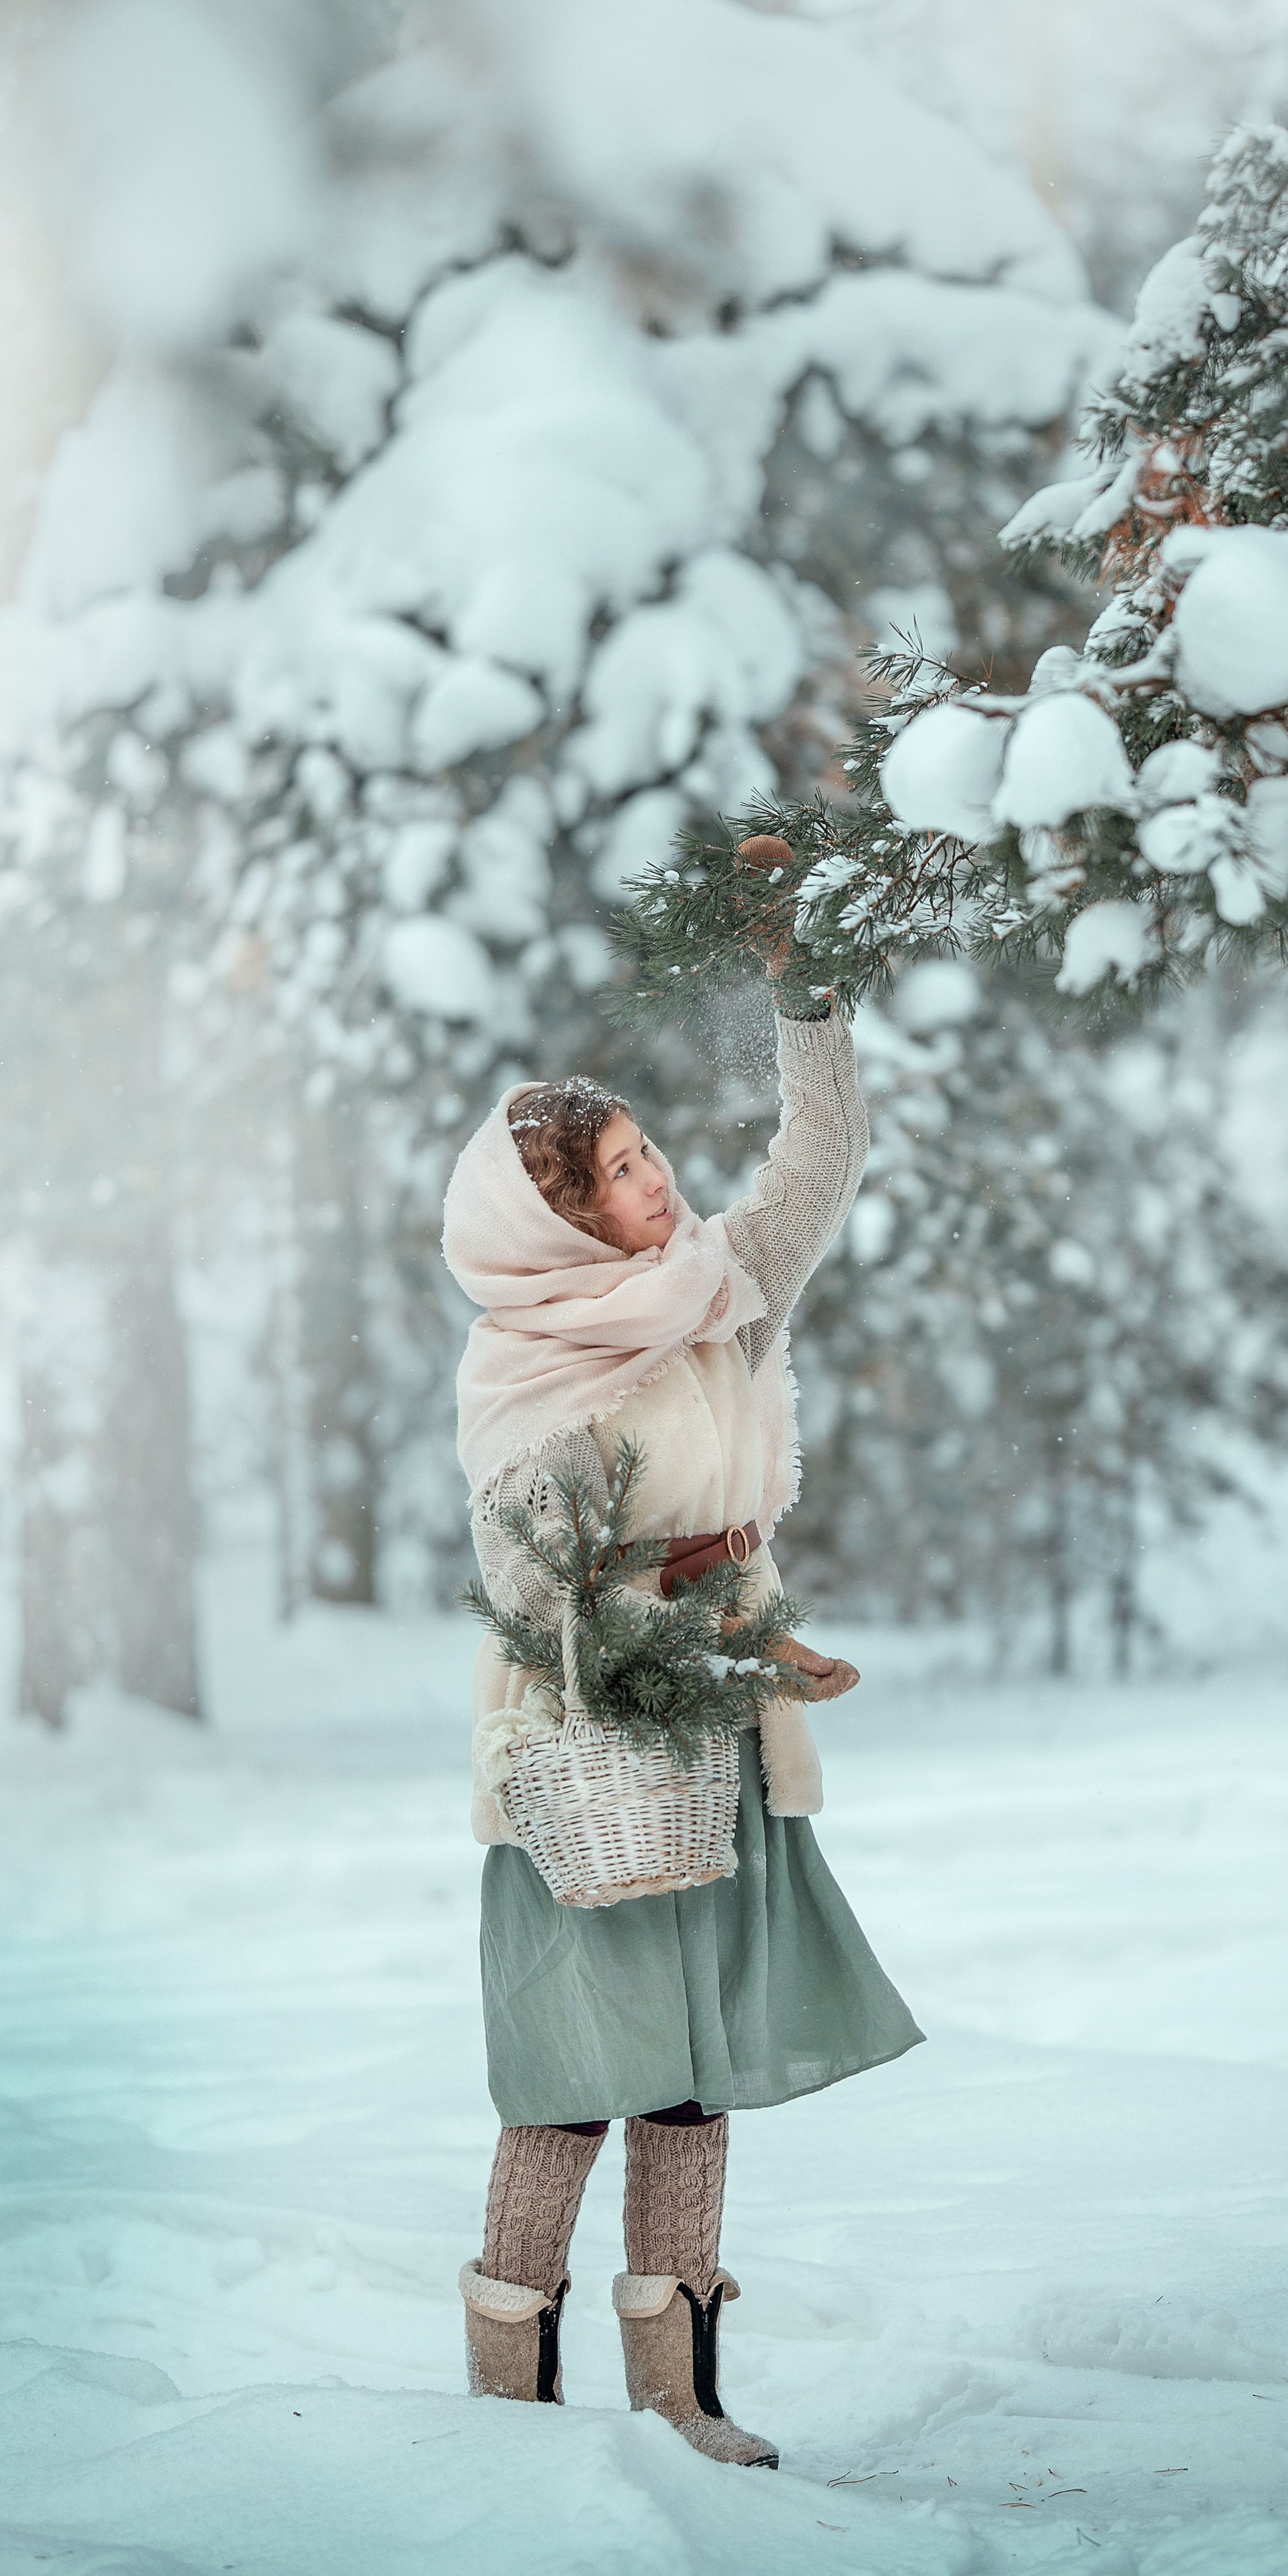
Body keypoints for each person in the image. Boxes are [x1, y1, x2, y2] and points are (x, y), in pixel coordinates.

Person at [439, 970, 922, 2469]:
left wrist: (808, 999)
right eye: (622, 1173)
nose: (658, 1181)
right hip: (590, 1753)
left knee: (695, 2071)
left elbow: (819, 1161)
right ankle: (513, 2411)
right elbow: (537, 1587)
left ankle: (680, 2402)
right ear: (563, 1222)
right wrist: (693, 1581)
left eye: (649, 1152)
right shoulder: (529, 1364)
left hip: (715, 1745)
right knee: (583, 2078)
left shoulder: (719, 1286)